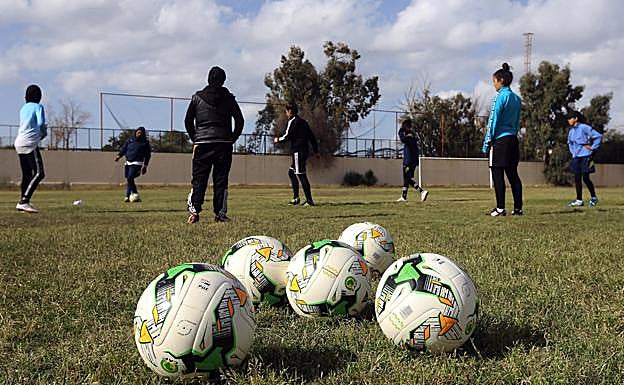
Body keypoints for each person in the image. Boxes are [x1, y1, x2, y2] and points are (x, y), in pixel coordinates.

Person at [184, 66, 244, 224]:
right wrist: (232, 138)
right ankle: (220, 214)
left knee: (199, 179)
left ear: (208, 79)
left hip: (202, 143)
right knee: (221, 180)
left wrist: (195, 138)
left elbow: (188, 121)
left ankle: (195, 211)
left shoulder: (197, 97)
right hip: (223, 144)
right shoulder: (229, 98)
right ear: (223, 80)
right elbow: (240, 121)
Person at [482, 63, 523, 217]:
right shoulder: (517, 99)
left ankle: (500, 208)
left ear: (500, 81)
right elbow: (518, 121)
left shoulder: (500, 97)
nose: (493, 84)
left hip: (500, 141)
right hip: (513, 139)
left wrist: (487, 143)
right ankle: (518, 208)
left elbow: (493, 120)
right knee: (513, 174)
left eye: (494, 81)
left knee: (497, 173)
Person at [273, 103, 319, 206]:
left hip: (298, 151)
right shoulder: (304, 122)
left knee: (301, 175)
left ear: (290, 111)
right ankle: (296, 198)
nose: (286, 114)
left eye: (286, 112)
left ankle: (309, 200)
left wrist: (277, 139)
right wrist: (316, 151)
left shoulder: (293, 121)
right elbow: (312, 137)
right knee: (291, 173)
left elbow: (287, 136)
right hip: (303, 151)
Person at [14, 84, 47, 213]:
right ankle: (24, 201)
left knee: (26, 175)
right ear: (39, 96)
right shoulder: (38, 107)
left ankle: (23, 202)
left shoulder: (23, 108)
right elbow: (40, 123)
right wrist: (43, 133)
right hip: (30, 143)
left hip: (19, 142)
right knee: (39, 173)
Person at [566, 110, 602, 207]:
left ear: (576, 119)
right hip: (576, 157)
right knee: (577, 178)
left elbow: (598, 136)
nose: (568, 120)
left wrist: (593, 147)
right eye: (568, 119)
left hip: (586, 156)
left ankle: (594, 197)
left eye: (570, 118)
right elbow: (569, 143)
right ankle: (579, 200)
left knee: (586, 178)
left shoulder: (584, 127)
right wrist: (573, 152)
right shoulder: (571, 131)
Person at [115, 126, 151, 202]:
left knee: (130, 177)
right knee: (129, 179)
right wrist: (119, 156)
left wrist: (145, 166)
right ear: (135, 132)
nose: (139, 134)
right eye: (138, 132)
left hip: (137, 163)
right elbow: (124, 149)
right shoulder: (130, 140)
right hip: (128, 163)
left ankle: (133, 193)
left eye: (141, 133)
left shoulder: (145, 143)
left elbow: (148, 155)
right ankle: (128, 197)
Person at [396, 118, 428, 202]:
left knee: (407, 178)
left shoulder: (409, 135)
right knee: (407, 178)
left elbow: (402, 139)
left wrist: (400, 131)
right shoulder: (413, 134)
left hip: (409, 160)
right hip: (413, 160)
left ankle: (422, 191)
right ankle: (404, 196)